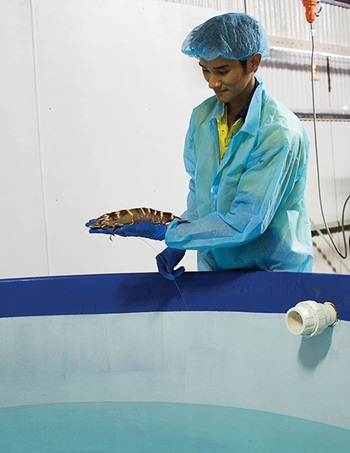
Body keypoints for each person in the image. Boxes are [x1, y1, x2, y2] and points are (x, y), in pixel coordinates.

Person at [87, 13, 314, 280]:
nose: (211, 82)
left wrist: (172, 232)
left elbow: (247, 220)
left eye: (222, 71)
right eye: (204, 69)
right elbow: (201, 193)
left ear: (253, 62)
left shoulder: (278, 133)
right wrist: (181, 238)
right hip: (215, 269)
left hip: (272, 273)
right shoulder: (203, 117)